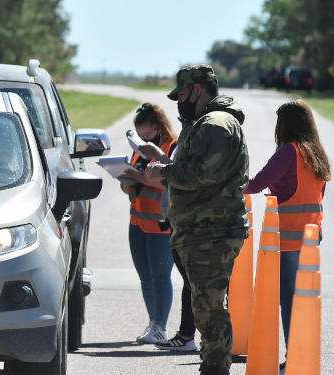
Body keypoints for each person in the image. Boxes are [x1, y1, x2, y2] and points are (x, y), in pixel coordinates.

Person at [144, 65, 249, 375]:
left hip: (212, 231)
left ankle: (215, 370)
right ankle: (214, 366)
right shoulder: (201, 123)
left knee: (211, 309)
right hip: (201, 230)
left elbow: (204, 174)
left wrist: (163, 172)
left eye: (183, 94)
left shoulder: (215, 124)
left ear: (198, 89)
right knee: (206, 307)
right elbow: (196, 168)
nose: (180, 101)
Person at [245, 99, 330, 373]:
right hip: (312, 236)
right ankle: (301, 354)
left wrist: (226, 183)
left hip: (289, 237)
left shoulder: (288, 152)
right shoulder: (316, 153)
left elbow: (257, 184)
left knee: (289, 301)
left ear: (285, 125)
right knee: (304, 300)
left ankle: (294, 356)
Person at [136, 118, 200, 353]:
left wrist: (156, 157)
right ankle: (184, 335)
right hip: (173, 218)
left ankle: (187, 336)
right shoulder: (187, 138)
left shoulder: (194, 138)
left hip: (182, 221)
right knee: (188, 283)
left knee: (192, 283)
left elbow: (181, 173)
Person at [119, 103, 177, 345]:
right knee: (145, 277)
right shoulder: (138, 149)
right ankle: (153, 323)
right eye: (140, 131)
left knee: (160, 275)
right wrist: (125, 178)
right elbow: (129, 186)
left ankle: (160, 326)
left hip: (162, 224)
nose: (143, 135)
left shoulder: (172, 148)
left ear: (159, 126)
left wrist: (144, 178)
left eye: (147, 130)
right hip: (138, 221)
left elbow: (172, 184)